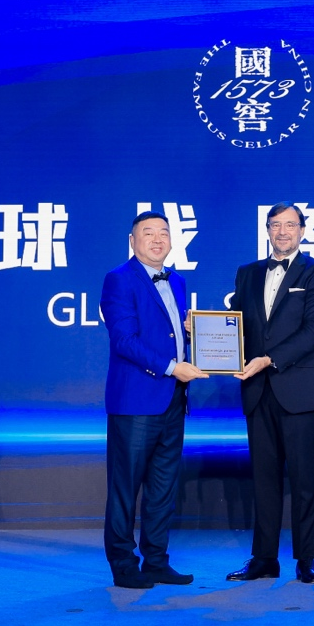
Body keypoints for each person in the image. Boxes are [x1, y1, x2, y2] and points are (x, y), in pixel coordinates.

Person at [226, 202, 314, 584]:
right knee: (263, 479)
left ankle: (306, 559)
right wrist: (203, 332)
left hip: (301, 390)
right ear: (267, 230)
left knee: (304, 479)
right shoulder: (248, 273)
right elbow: (235, 324)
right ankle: (264, 559)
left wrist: (269, 359)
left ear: (303, 231)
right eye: (276, 225)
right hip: (258, 391)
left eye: (290, 225)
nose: (283, 231)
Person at [100, 211, 208, 589]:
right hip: (135, 401)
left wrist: (192, 332)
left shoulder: (177, 280)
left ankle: (156, 561)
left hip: (173, 399)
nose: (158, 239)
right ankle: (123, 564)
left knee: (163, 488)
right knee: (125, 488)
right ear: (133, 241)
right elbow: (124, 341)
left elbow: (168, 334)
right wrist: (172, 367)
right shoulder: (119, 279)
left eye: (164, 232)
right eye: (148, 233)